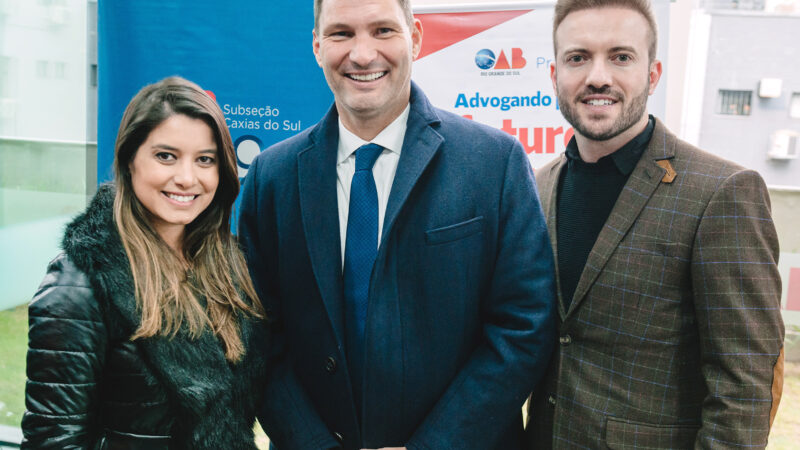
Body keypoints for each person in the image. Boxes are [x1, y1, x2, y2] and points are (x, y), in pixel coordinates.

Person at [238, 0, 557, 448]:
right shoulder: (272, 177)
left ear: (417, 37)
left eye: (383, 30)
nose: (363, 54)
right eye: (341, 33)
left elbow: (523, 327)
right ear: (316, 46)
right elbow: (257, 338)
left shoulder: (493, 163)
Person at [524, 0, 785, 448]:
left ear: (652, 74)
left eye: (621, 57)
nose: (598, 76)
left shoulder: (721, 192)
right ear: (555, 76)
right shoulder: (537, 187)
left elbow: (744, 385)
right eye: (578, 57)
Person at [22, 76, 268, 449]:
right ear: (129, 160)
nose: (187, 178)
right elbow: (53, 442)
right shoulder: (80, 284)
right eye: (165, 156)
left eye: (205, 160)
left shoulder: (232, 270)